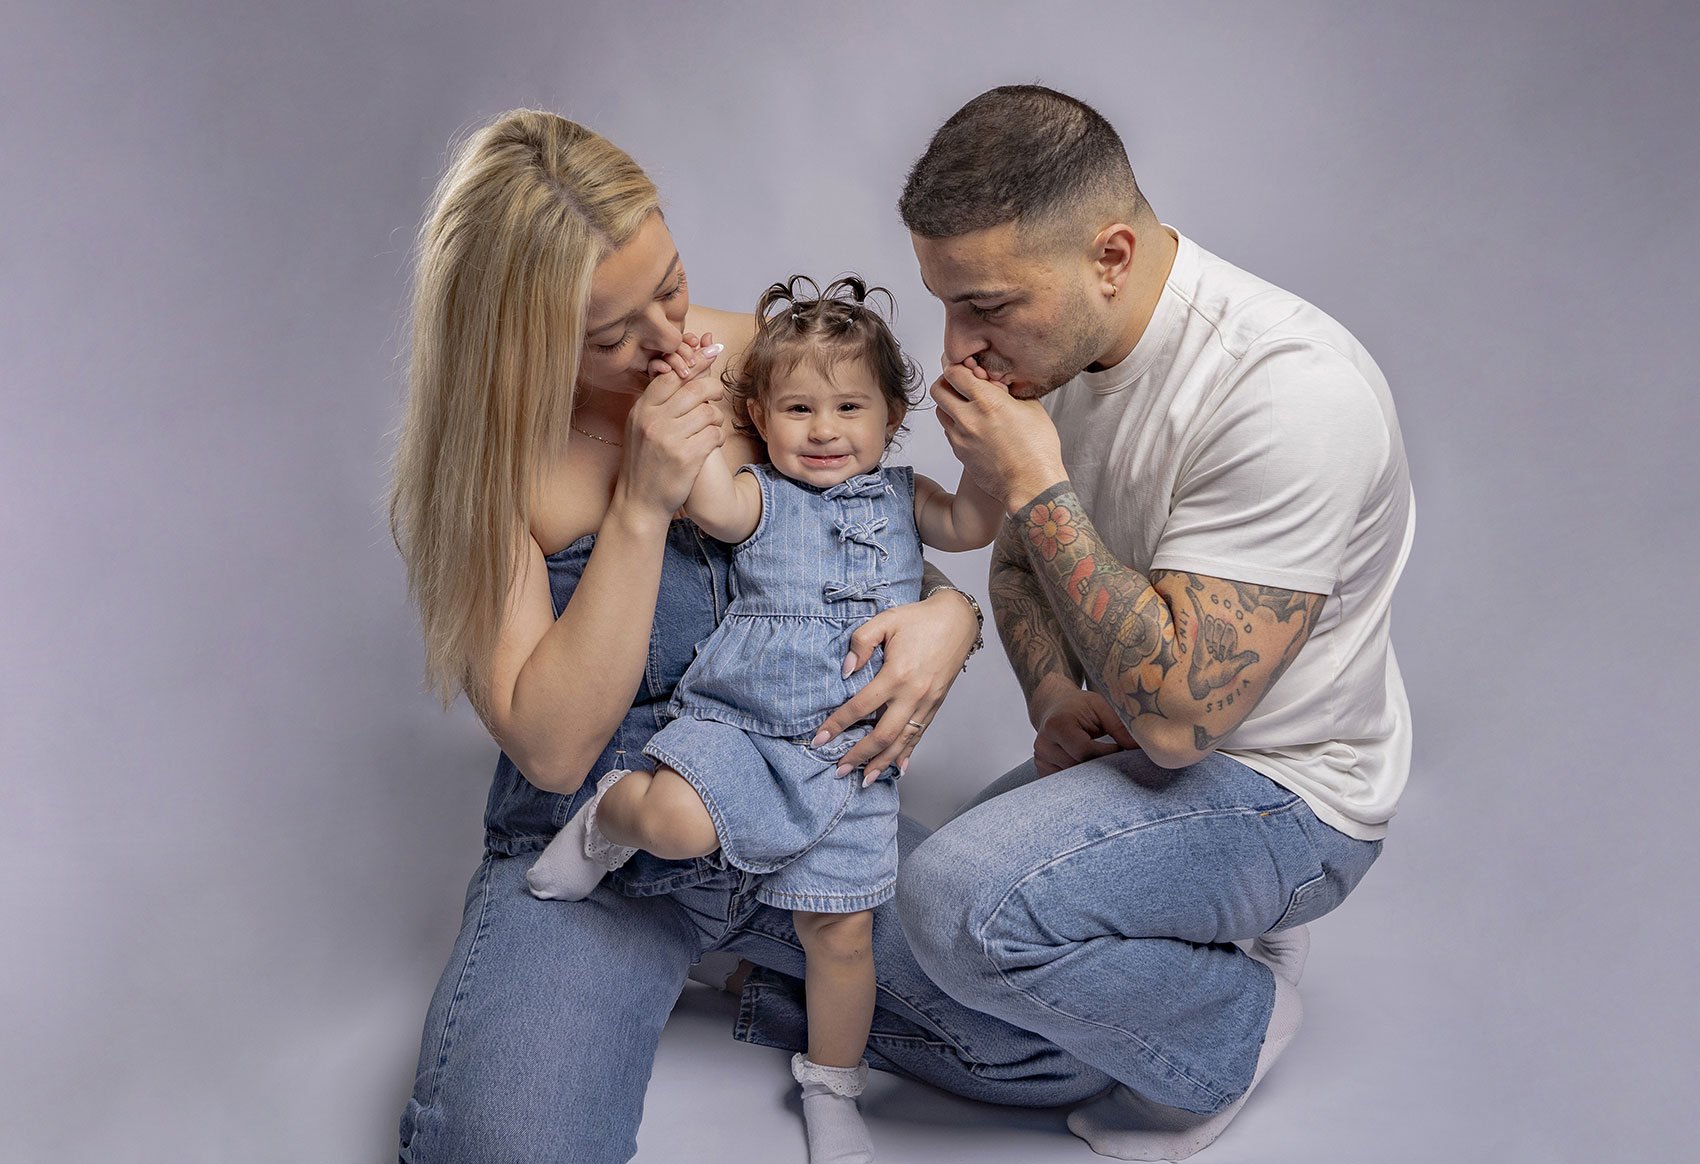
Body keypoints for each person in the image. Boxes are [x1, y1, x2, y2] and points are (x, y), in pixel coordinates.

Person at [389, 109, 1106, 1164]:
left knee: (1062, 1049)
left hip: (804, 793)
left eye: (671, 286)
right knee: (503, 1152)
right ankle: (668, 966)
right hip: (614, 831)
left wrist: (948, 618)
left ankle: (756, 974)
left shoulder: (755, 363)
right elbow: (552, 748)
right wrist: (642, 506)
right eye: (610, 335)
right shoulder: (490, 466)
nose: (667, 339)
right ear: (521, 339)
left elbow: (861, 524)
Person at [894, 85, 1414, 1161]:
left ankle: (1233, 1025)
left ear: (1112, 257)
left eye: (987, 306)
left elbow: (1181, 726)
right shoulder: (1055, 352)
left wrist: (1035, 480)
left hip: (1285, 792)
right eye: (945, 305)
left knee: (953, 910)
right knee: (891, 915)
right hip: (1137, 746)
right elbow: (1020, 564)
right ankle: (1164, 978)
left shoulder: (1287, 391)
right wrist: (1053, 697)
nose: (960, 349)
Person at [525, 274, 1003, 1162]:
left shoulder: (909, 499)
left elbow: (974, 520)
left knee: (842, 939)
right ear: (758, 416)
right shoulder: (760, 496)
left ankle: (831, 1088)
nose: (823, 430)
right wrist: (691, 387)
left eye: (849, 407)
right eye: (796, 409)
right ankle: (607, 816)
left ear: (893, 416)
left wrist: (992, 441)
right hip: (743, 728)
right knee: (676, 823)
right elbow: (706, 498)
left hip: (852, 760)